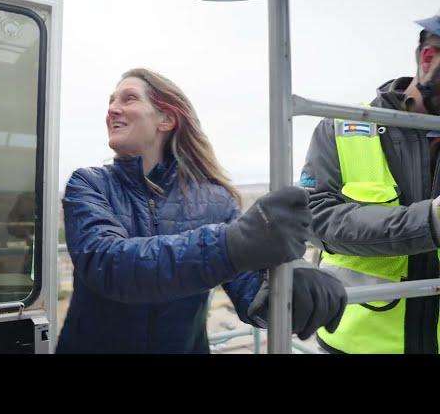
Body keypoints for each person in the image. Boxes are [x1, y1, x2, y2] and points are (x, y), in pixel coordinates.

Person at [56, 67, 347, 354]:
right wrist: (230, 244)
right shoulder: (90, 184)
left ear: (167, 119)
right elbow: (108, 263)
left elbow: (250, 292)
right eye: (111, 101)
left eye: (127, 98)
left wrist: (290, 283)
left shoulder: (215, 199)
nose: (112, 110)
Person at [300, 10, 440, 354]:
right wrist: (430, 221)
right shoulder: (341, 128)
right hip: (354, 344)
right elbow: (314, 220)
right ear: (428, 59)